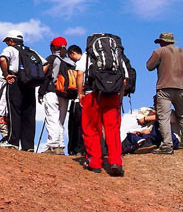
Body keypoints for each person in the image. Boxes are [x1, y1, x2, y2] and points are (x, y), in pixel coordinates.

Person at [146, 32, 183, 155]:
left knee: (163, 117)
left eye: (160, 41)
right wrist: (180, 73)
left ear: (163, 41)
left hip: (164, 88)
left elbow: (149, 66)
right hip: (180, 87)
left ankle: (167, 145)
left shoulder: (159, 52)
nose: (159, 44)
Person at [76, 42, 126, 177]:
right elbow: (124, 80)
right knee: (113, 130)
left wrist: (80, 93)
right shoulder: (117, 56)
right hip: (112, 95)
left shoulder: (88, 55)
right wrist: (119, 98)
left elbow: (80, 74)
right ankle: (115, 162)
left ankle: (94, 163)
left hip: (92, 95)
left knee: (91, 129)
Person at [0, 29, 47, 151]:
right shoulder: (31, 51)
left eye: (7, 41)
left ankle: (13, 142)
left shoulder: (10, 49)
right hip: (30, 84)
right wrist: (37, 77)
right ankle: (28, 146)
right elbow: (46, 64)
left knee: (14, 111)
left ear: (11, 41)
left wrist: (6, 75)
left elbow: (3, 59)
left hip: (15, 80)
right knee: (29, 114)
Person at [39, 36, 74, 155]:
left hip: (52, 91)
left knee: (52, 118)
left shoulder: (52, 58)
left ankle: (53, 146)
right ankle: (60, 146)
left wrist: (40, 92)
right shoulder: (70, 61)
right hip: (66, 94)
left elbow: (45, 76)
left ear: (53, 47)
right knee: (61, 121)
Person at [67, 45, 84, 156]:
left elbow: (79, 76)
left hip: (79, 99)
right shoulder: (91, 61)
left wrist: (79, 92)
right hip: (91, 97)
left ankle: (76, 148)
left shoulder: (80, 63)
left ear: (73, 53)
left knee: (77, 125)